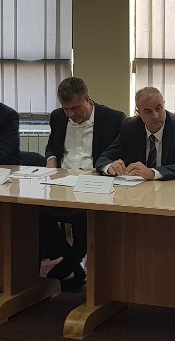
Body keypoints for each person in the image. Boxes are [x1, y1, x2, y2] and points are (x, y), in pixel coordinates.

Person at [40, 77, 126, 290]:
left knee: (82, 214)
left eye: (75, 108)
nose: (70, 114)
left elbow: (119, 154)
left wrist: (100, 169)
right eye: (66, 109)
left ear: (87, 100)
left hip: (95, 183)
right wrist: (51, 163)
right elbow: (52, 147)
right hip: (61, 181)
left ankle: (74, 260)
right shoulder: (57, 117)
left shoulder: (114, 119)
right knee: (33, 211)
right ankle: (73, 259)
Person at [96, 87, 175, 180]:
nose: (155, 116)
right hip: (140, 190)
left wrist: (153, 173)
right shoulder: (130, 127)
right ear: (139, 113)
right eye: (148, 111)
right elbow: (104, 158)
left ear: (163, 105)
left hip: (171, 188)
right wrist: (110, 167)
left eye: (158, 108)